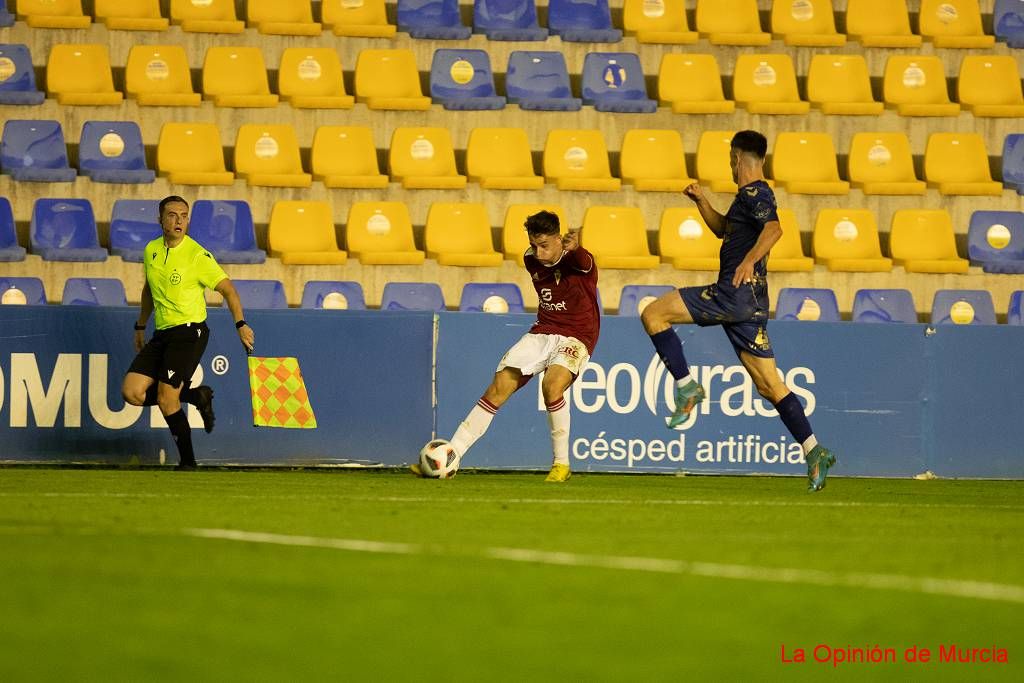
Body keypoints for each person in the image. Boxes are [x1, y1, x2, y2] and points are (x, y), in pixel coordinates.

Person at [640, 131, 837, 492]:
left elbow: (775, 229)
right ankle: (814, 450)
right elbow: (722, 231)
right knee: (769, 385)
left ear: (735, 158)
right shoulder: (745, 199)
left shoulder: (755, 193)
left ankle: (687, 389)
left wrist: (747, 261)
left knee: (654, 314)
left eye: (730, 160)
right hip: (752, 304)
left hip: (733, 295)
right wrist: (701, 201)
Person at [417, 210, 600, 482]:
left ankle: (561, 464)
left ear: (560, 240)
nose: (537, 252)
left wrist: (577, 249)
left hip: (578, 334)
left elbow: (583, 261)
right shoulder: (530, 259)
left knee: (552, 386)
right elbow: (544, 261)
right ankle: (452, 454)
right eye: (534, 245)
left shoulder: (579, 260)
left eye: (545, 245)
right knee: (498, 386)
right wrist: (547, 250)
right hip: (543, 330)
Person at [121, 196, 255, 470]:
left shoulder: (197, 255)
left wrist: (241, 325)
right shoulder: (151, 250)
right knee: (132, 392)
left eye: (184, 215)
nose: (179, 221)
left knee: (166, 398)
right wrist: (140, 324)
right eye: (172, 215)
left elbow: (228, 289)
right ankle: (196, 396)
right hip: (162, 333)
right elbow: (148, 290)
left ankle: (188, 463)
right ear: (160, 219)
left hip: (190, 333)